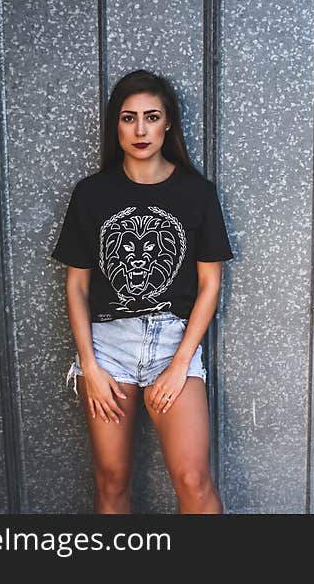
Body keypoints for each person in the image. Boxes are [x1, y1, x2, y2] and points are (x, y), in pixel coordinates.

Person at [51, 69, 233, 514]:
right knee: (112, 480)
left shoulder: (196, 192)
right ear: (116, 124)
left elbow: (210, 286)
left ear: (167, 123)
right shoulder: (92, 194)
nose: (140, 129)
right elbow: (76, 286)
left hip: (174, 342)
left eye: (151, 117)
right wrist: (89, 366)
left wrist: (181, 365)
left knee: (193, 478)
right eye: (128, 118)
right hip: (108, 348)